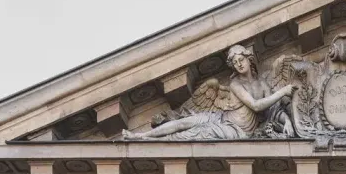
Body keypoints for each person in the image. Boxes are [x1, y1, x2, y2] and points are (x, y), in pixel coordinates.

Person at [120, 44, 297, 140]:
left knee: (188, 134)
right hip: (221, 119)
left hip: (236, 132)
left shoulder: (262, 85)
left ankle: (155, 141)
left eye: (241, 59)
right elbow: (256, 106)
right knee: (185, 122)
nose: (239, 64)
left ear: (249, 59)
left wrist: (287, 121)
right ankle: (142, 136)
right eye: (235, 63)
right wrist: (284, 91)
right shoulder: (235, 84)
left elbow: (274, 111)